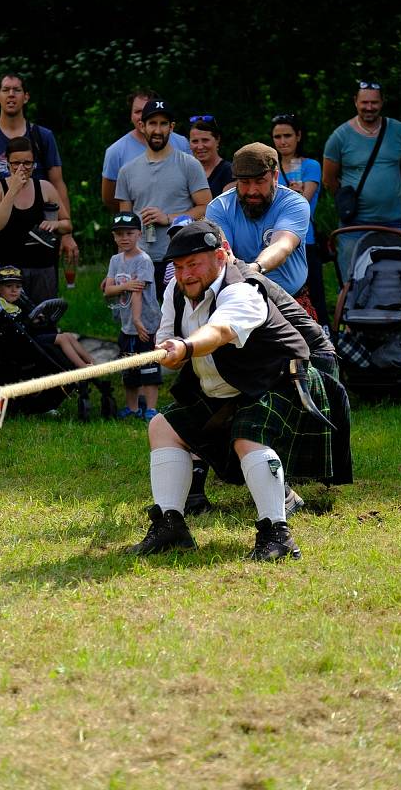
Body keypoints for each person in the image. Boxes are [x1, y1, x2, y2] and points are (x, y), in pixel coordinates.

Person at [125, 220, 351, 559]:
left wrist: (186, 348)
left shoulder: (242, 290)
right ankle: (170, 525)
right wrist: (171, 349)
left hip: (279, 382)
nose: (185, 274)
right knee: (162, 427)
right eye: (179, 266)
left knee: (248, 436)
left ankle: (277, 534)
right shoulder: (176, 291)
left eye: (194, 264)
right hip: (225, 385)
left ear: (219, 257)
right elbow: (167, 337)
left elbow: (218, 332)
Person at [0, 72, 78, 263]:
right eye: (5, 90)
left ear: (26, 97)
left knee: (43, 291)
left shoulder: (42, 136)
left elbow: (57, 183)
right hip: (0, 234)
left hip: (40, 236)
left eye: (17, 90)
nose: (11, 94)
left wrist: (66, 234)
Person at [115, 98, 212, 300]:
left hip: (180, 258)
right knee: (140, 325)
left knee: (179, 324)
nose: (157, 130)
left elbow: (205, 207)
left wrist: (169, 218)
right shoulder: (127, 171)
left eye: (163, 124)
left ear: (172, 127)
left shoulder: (189, 164)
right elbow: (123, 223)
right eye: (152, 123)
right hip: (140, 260)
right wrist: (120, 264)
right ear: (142, 126)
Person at [206, 142, 315, 317]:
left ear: (275, 177)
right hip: (240, 300)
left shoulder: (294, 203)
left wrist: (255, 269)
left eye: (260, 181)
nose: (252, 190)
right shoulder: (219, 207)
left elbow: (282, 245)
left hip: (290, 300)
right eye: (244, 182)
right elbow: (224, 254)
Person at [322, 80, 401, 281]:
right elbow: (328, 179)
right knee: (352, 280)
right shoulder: (340, 136)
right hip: (354, 225)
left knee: (394, 280)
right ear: (356, 102)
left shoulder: (398, 130)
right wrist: (348, 200)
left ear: (382, 102)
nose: (369, 107)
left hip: (393, 221)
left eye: (374, 102)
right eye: (364, 102)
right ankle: (348, 313)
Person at [0, 136, 72, 304]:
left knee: (43, 322)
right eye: (16, 163)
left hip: (42, 268)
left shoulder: (45, 187)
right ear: (7, 163)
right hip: (8, 272)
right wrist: (13, 190)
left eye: (27, 163)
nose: (22, 168)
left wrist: (56, 224)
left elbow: (67, 224)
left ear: (34, 163)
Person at [272, 112, 330, 333]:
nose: (283, 141)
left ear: (298, 136)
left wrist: (294, 195)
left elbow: (303, 202)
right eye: (277, 137)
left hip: (306, 239)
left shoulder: (310, 165)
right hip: (276, 239)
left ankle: (325, 341)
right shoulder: (270, 166)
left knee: (315, 293)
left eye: (287, 135)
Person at [104, 212, 162, 421]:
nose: (124, 238)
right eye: (119, 234)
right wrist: (126, 285)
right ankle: (133, 407)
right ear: (114, 237)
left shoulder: (143, 260)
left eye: (129, 233)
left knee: (148, 367)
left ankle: (151, 408)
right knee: (129, 369)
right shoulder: (115, 260)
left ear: (139, 233)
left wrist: (138, 321)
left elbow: (138, 291)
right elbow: (108, 290)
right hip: (127, 325)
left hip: (144, 323)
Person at [101, 87, 191, 213]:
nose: (142, 116)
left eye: (147, 110)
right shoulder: (115, 151)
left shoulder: (181, 143)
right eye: (137, 111)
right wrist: (136, 215)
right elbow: (108, 198)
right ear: (130, 114)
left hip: (180, 225)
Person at [0, 265, 96, 369]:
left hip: (30, 337)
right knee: (62, 338)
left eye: (18, 287)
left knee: (68, 335)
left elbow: (25, 319)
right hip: (22, 343)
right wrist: (30, 321)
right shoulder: (0, 304)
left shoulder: (18, 304)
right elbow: (13, 323)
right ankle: (83, 368)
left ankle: (94, 364)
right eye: (9, 286)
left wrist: (35, 319)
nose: (14, 290)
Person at [188, 115, 235, 198]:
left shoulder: (229, 172)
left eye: (205, 140)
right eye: (195, 141)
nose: (200, 146)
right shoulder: (186, 172)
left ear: (217, 140)